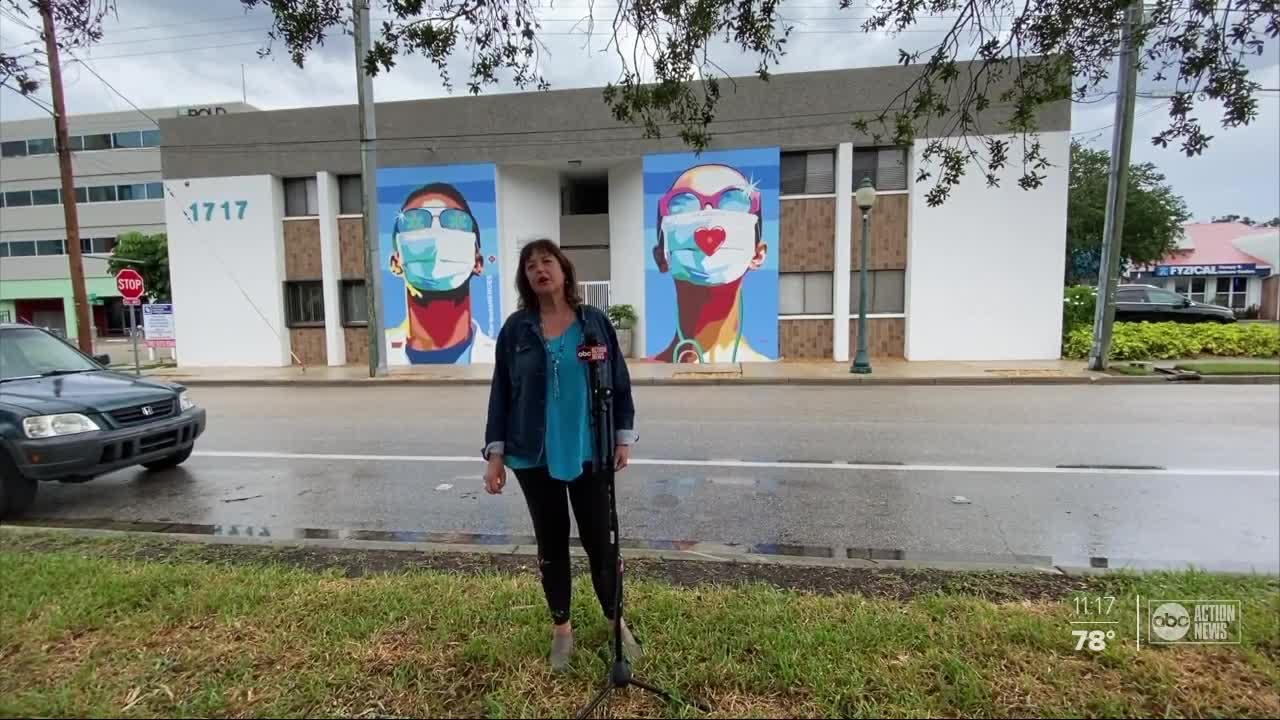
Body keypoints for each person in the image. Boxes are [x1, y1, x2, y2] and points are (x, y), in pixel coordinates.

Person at [482, 238, 641, 672]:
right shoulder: (517, 329)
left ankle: (615, 623)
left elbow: (619, 382)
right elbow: (502, 393)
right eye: (530, 265)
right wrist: (495, 454)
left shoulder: (595, 323)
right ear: (525, 278)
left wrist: (622, 436)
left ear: (564, 270)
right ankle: (562, 629)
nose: (539, 270)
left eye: (546, 261)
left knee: (601, 544)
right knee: (551, 544)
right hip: (533, 455)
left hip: (591, 451)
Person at [651, 163, 773, 362]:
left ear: (757, 254)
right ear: (661, 258)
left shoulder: (766, 372)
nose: (707, 217)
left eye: (733, 200)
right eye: (683, 203)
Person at [386, 182, 496, 364]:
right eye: (414, 222)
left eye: (456, 222)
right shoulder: (383, 358)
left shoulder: (498, 357)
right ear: (396, 263)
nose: (435, 233)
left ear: (478, 262)